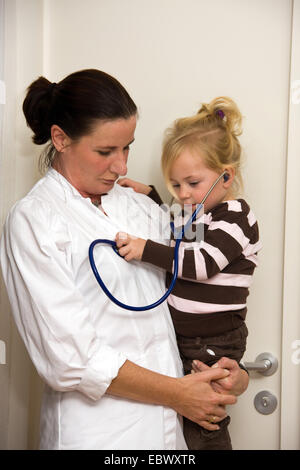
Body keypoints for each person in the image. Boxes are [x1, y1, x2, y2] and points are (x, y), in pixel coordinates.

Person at [0, 71, 247, 450]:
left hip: (174, 428)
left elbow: (197, 277)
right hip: (100, 432)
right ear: (60, 139)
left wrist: (232, 369)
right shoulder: (34, 220)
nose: (122, 167)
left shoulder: (136, 204)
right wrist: (178, 394)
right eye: (105, 152)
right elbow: (70, 358)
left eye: (127, 147)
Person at [115, 96, 261, 450]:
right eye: (174, 185)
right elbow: (174, 225)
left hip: (214, 342)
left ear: (226, 176)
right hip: (183, 340)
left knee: (203, 423)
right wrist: (149, 194)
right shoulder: (193, 213)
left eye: (192, 184)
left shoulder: (236, 217)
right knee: (176, 416)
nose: (182, 195)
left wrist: (144, 250)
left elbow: (201, 263)